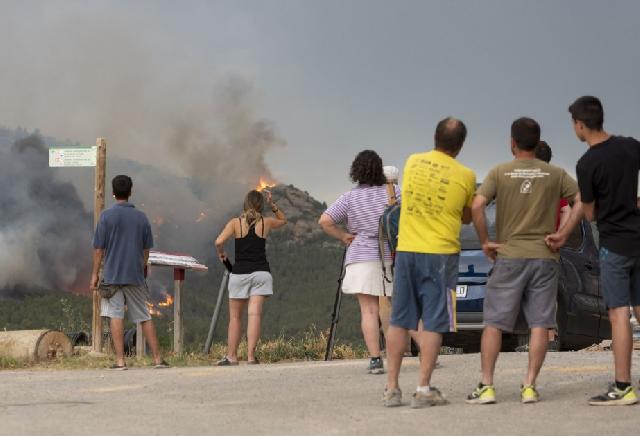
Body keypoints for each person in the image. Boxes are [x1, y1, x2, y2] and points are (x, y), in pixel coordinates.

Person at [466, 117, 579, 405]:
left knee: (493, 322)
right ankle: (529, 386)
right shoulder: (555, 174)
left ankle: (487, 386)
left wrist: (484, 241)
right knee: (540, 322)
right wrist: (563, 234)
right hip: (545, 257)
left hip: (510, 255)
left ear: (512, 143)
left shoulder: (500, 172)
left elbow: (477, 205)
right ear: (537, 141)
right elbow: (583, 200)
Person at [546, 96, 640, 406]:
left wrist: (561, 234)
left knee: (617, 315)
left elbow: (586, 211)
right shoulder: (630, 146)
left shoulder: (588, 163)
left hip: (614, 245)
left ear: (580, 124)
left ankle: (623, 386)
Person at [383, 117, 475, 408]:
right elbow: (467, 215)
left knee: (399, 320)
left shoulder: (412, 162)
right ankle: (423, 388)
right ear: (460, 146)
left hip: (407, 249)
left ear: (435, 138)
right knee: (434, 321)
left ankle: (391, 389)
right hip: (441, 253)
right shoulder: (466, 175)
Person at [319, 150, 399, 375]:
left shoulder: (349, 198)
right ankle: (409, 353)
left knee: (369, 311)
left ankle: (375, 359)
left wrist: (344, 236)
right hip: (390, 257)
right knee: (398, 308)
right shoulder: (394, 193)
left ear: (356, 170)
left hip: (360, 258)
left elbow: (324, 220)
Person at [91, 175, 169, 370]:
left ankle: (120, 361)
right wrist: (142, 267)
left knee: (115, 316)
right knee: (144, 316)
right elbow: (146, 250)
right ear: (130, 192)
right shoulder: (141, 217)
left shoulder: (106, 217)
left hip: (112, 276)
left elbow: (99, 249)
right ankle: (158, 359)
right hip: (134, 275)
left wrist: (94, 274)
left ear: (113, 192)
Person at [215, 189, 287, 365]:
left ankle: (231, 356)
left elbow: (218, 242)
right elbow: (283, 220)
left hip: (239, 274)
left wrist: (222, 254)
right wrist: (273, 205)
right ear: (261, 206)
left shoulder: (235, 223)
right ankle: (250, 356)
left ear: (244, 205)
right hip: (261, 273)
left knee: (235, 317)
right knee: (254, 315)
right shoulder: (267, 222)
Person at [534, 140, 571, 347]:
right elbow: (566, 209)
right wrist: (560, 234)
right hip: (550, 245)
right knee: (547, 291)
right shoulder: (557, 179)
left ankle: (537, 338)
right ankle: (549, 337)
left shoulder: (527, 179)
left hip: (528, 244)